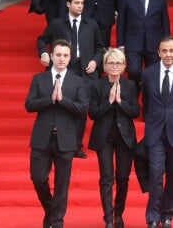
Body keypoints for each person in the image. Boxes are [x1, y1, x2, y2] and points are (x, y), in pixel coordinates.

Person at [25, 39, 88, 228]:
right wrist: (50, 99)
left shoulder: (78, 82)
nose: (62, 59)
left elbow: (83, 108)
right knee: (38, 178)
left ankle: (56, 221)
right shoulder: (39, 79)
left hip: (66, 140)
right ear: (51, 56)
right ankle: (51, 209)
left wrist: (62, 100)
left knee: (62, 184)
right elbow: (29, 105)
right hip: (42, 138)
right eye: (58, 55)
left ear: (70, 58)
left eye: (65, 55)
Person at [37, 0, 104, 158]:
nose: (80, 6)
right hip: (63, 69)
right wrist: (44, 54)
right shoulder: (58, 23)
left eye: (82, 3)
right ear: (68, 4)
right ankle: (59, 142)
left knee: (81, 108)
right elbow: (42, 39)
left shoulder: (91, 24)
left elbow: (100, 47)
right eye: (77, 3)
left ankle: (76, 145)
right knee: (60, 105)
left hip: (86, 72)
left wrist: (95, 61)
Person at [88, 48, 140, 228]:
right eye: (111, 63)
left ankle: (119, 213)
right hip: (104, 138)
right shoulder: (97, 85)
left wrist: (120, 102)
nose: (114, 66)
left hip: (125, 138)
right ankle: (108, 218)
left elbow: (135, 112)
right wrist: (109, 102)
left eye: (118, 63)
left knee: (123, 177)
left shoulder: (131, 86)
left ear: (124, 65)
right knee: (106, 177)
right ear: (105, 65)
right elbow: (92, 114)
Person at [116, 0, 170, 95]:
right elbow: (121, 22)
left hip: (154, 44)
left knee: (152, 75)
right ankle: (134, 98)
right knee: (133, 71)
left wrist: (167, 45)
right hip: (133, 43)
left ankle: (148, 101)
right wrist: (120, 45)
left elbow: (165, 23)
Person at [141, 36, 173, 228]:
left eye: (172, 50)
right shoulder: (148, 74)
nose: (168, 54)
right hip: (155, 133)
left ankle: (167, 214)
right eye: (165, 51)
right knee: (155, 173)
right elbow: (146, 102)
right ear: (158, 52)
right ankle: (152, 216)